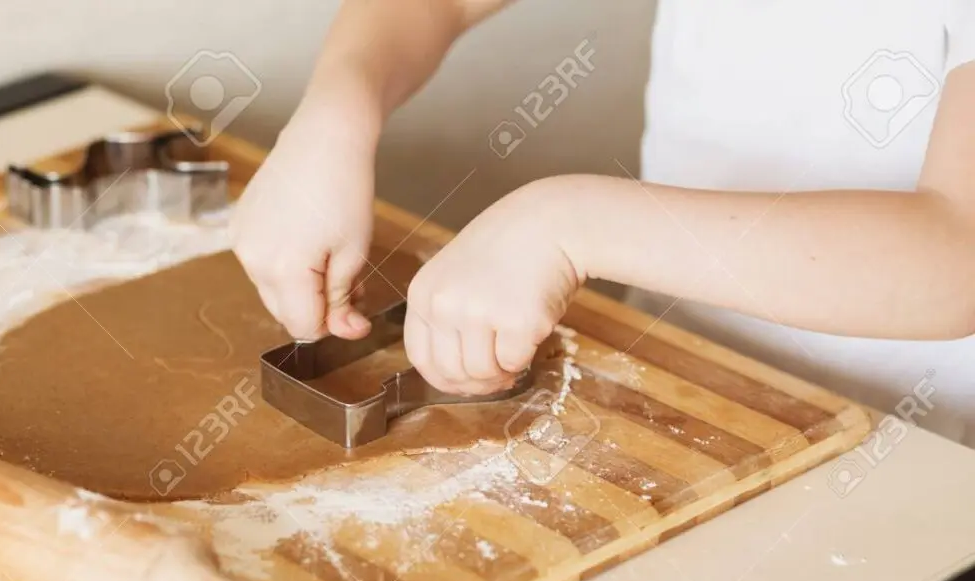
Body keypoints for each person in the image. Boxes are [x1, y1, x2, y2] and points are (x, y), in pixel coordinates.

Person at [230, 0, 975, 445]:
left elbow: (956, 254)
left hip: (922, 455)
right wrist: (338, 105)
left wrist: (570, 222)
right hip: (692, 382)